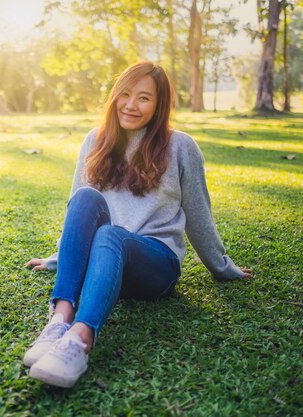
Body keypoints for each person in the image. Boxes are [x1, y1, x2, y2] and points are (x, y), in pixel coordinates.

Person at [23, 61, 252, 389]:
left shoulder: (181, 147)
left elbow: (199, 215)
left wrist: (222, 267)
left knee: (111, 234)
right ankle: (59, 321)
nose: (131, 105)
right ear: (114, 96)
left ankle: (79, 341)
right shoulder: (96, 140)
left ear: (160, 106)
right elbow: (77, 210)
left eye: (144, 98)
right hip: (103, 264)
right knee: (87, 198)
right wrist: (57, 259)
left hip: (155, 267)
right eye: (125, 94)